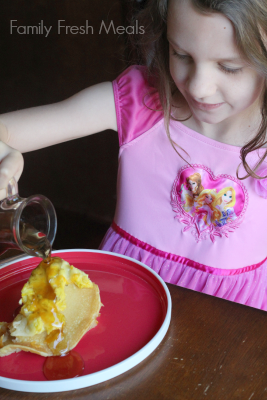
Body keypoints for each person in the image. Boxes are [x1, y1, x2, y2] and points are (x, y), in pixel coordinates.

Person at [1, 0, 267, 309]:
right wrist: (8, 154)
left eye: (228, 67)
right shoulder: (141, 101)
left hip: (232, 318)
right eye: (181, 54)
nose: (199, 87)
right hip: (124, 295)